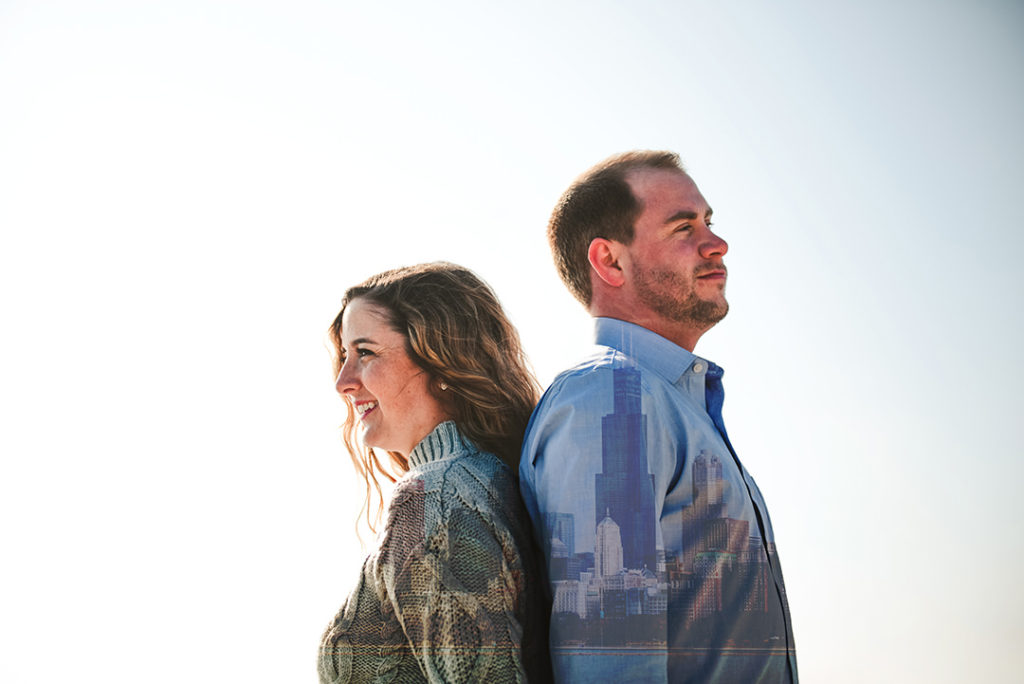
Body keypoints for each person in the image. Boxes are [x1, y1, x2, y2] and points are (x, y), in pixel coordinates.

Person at [519, 151, 798, 682]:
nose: (716, 243)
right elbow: (611, 665)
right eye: (683, 227)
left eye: (709, 222)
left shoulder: (674, 405)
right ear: (610, 262)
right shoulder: (611, 397)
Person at [318, 262, 552, 684]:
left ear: (440, 361)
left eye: (365, 352)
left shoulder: (438, 496)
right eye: (344, 356)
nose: (343, 381)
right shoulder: (493, 479)